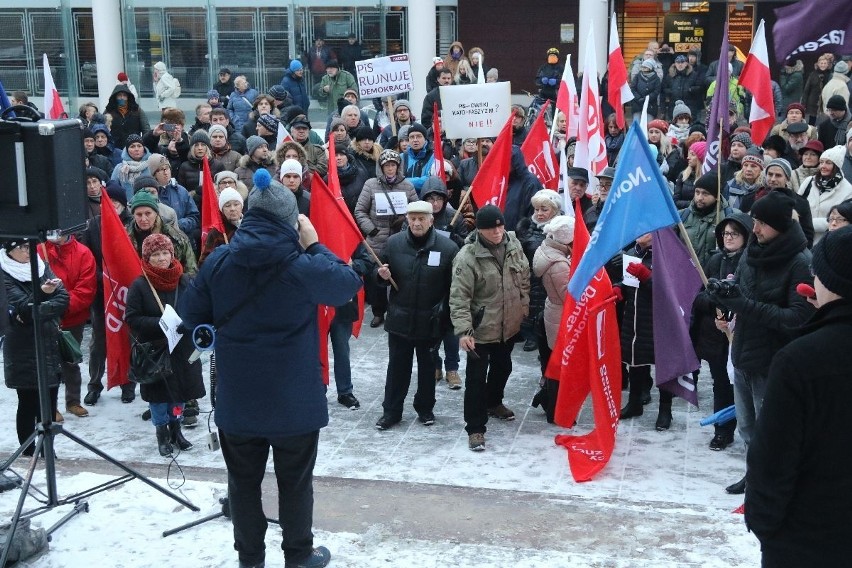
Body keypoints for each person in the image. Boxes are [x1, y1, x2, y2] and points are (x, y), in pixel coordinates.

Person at [180, 167, 361, 568]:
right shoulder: (302, 265)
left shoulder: (220, 261)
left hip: (239, 399)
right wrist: (314, 246)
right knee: (295, 484)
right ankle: (298, 556)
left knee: (243, 485)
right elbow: (347, 284)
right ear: (290, 220)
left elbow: (189, 315)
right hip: (294, 401)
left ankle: (251, 560)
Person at [744, 225, 852, 565]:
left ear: (829, 281)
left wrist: (766, 527)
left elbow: (772, 461)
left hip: (808, 540)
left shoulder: (800, 360)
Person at [706, 191, 814, 495]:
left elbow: (797, 317)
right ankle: (754, 475)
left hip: (773, 361)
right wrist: (723, 292)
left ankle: (775, 484)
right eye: (755, 221)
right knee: (748, 428)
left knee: (772, 432)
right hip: (742, 352)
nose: (755, 229)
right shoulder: (753, 251)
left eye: (763, 224)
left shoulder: (800, 262)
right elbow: (740, 287)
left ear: (780, 225)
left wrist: (743, 305)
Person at [450, 205, 530, 451]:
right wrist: (464, 331)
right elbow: (459, 297)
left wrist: (523, 307)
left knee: (503, 366)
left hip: (508, 324)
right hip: (481, 329)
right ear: (480, 231)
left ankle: (494, 402)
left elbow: (524, 276)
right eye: (490, 228)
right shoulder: (467, 257)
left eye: (499, 226)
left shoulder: (514, 246)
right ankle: (475, 428)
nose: (497, 232)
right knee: (475, 379)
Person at [373, 201, 459, 430]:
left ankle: (425, 408)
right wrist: (381, 276)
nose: (417, 223)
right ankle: (391, 411)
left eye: (422, 218)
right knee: (397, 368)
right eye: (413, 219)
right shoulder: (393, 244)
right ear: (407, 220)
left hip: (429, 321)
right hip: (400, 320)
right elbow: (378, 277)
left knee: (427, 367)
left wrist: (445, 316)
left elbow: (454, 287)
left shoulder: (448, 248)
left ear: (431, 220)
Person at [125, 234, 204, 456]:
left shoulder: (185, 281)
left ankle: (176, 430)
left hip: (182, 348)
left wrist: (190, 322)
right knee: (159, 397)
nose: (161, 259)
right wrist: (160, 324)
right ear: (147, 258)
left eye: (165, 253)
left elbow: (197, 307)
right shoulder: (140, 285)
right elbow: (131, 319)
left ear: (172, 254)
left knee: (179, 393)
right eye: (156, 255)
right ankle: (162, 434)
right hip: (156, 351)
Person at [690, 212, 753, 450]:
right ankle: (722, 430)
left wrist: (731, 306)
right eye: (726, 233)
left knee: (742, 386)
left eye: (735, 233)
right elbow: (698, 297)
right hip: (716, 337)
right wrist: (715, 302)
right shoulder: (715, 260)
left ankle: (748, 431)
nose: (729, 238)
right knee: (720, 383)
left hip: (741, 335)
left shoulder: (750, 262)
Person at [2, 240, 69, 456]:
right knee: (28, 401)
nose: (27, 252)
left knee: (50, 400)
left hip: (49, 341)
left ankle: (47, 449)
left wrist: (39, 305)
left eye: (29, 247)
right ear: (8, 251)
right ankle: (29, 451)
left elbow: (64, 298)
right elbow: (22, 308)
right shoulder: (4, 273)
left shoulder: (40, 265)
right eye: (20, 248)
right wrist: (41, 295)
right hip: (22, 347)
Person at [355, 149, 418, 328]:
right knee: (377, 278)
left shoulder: (407, 186)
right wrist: (371, 229)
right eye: (386, 166)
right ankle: (378, 311)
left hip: (401, 239)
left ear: (398, 167)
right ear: (380, 167)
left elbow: (416, 209)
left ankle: (398, 311)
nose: (390, 169)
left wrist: (406, 225)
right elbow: (360, 210)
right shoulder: (370, 184)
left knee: (401, 276)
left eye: (393, 165)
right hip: (377, 239)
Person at [40, 234, 97, 419]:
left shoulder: (83, 253)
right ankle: (51, 407)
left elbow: (85, 289)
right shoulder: (40, 250)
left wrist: (61, 307)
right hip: (46, 318)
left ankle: (73, 401)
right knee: (49, 364)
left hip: (72, 318)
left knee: (70, 360)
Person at [531, 215, 574, 422]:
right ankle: (555, 410)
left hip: (553, 311)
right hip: (561, 315)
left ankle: (547, 397)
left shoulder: (546, 250)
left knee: (554, 361)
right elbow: (569, 295)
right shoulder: (559, 264)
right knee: (561, 365)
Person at [515, 189, 561, 352]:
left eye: (544, 209)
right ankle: (529, 333)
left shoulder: (561, 228)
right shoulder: (527, 226)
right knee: (530, 303)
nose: (539, 213)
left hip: (553, 276)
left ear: (554, 210)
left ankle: (540, 336)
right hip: (531, 274)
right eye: (537, 209)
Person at [796, 145, 852, 243]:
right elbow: (796, 205)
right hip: (802, 239)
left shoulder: (848, 190)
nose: (823, 166)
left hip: (829, 242)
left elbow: (842, 221)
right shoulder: (809, 181)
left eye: (828, 163)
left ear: (837, 165)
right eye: (821, 162)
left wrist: (808, 223)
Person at [103, 84, 150, 150]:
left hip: (134, 148)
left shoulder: (137, 111)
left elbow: (146, 129)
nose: (122, 98)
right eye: (119, 95)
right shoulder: (108, 111)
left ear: (128, 97)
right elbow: (103, 129)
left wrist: (144, 146)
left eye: (124, 95)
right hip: (114, 148)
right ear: (115, 97)